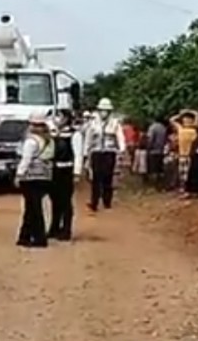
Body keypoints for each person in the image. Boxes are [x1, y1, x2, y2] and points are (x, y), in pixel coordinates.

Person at [15, 113, 54, 248]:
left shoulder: (31, 141)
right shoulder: (48, 140)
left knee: (34, 208)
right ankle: (24, 236)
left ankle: (39, 238)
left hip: (31, 177)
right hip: (44, 176)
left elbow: (25, 160)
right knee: (31, 208)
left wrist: (19, 175)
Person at [84, 98, 125, 211]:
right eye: (102, 110)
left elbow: (120, 137)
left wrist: (121, 150)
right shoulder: (93, 124)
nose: (104, 112)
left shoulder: (115, 123)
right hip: (96, 152)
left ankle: (107, 201)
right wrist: (85, 153)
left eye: (106, 110)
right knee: (96, 178)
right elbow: (88, 139)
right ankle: (94, 203)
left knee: (108, 177)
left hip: (109, 152)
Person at [48, 109, 83, 240]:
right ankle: (54, 227)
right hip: (54, 170)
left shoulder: (74, 135)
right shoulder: (54, 134)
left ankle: (66, 229)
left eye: (60, 116)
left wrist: (77, 173)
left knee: (65, 201)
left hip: (66, 170)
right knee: (54, 200)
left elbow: (78, 155)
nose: (57, 119)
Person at [170, 110, 198, 194]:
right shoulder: (181, 128)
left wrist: (190, 112)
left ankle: (187, 190)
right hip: (182, 155)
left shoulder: (194, 129)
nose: (186, 121)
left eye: (189, 119)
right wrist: (181, 114)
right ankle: (183, 189)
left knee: (188, 174)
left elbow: (197, 116)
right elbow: (172, 120)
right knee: (182, 173)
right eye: (185, 119)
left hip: (190, 155)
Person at [145, 117, 168, 189]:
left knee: (153, 168)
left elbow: (150, 139)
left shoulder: (153, 127)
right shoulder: (163, 128)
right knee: (159, 168)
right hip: (161, 150)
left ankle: (154, 185)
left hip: (153, 150)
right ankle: (160, 184)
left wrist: (148, 148)